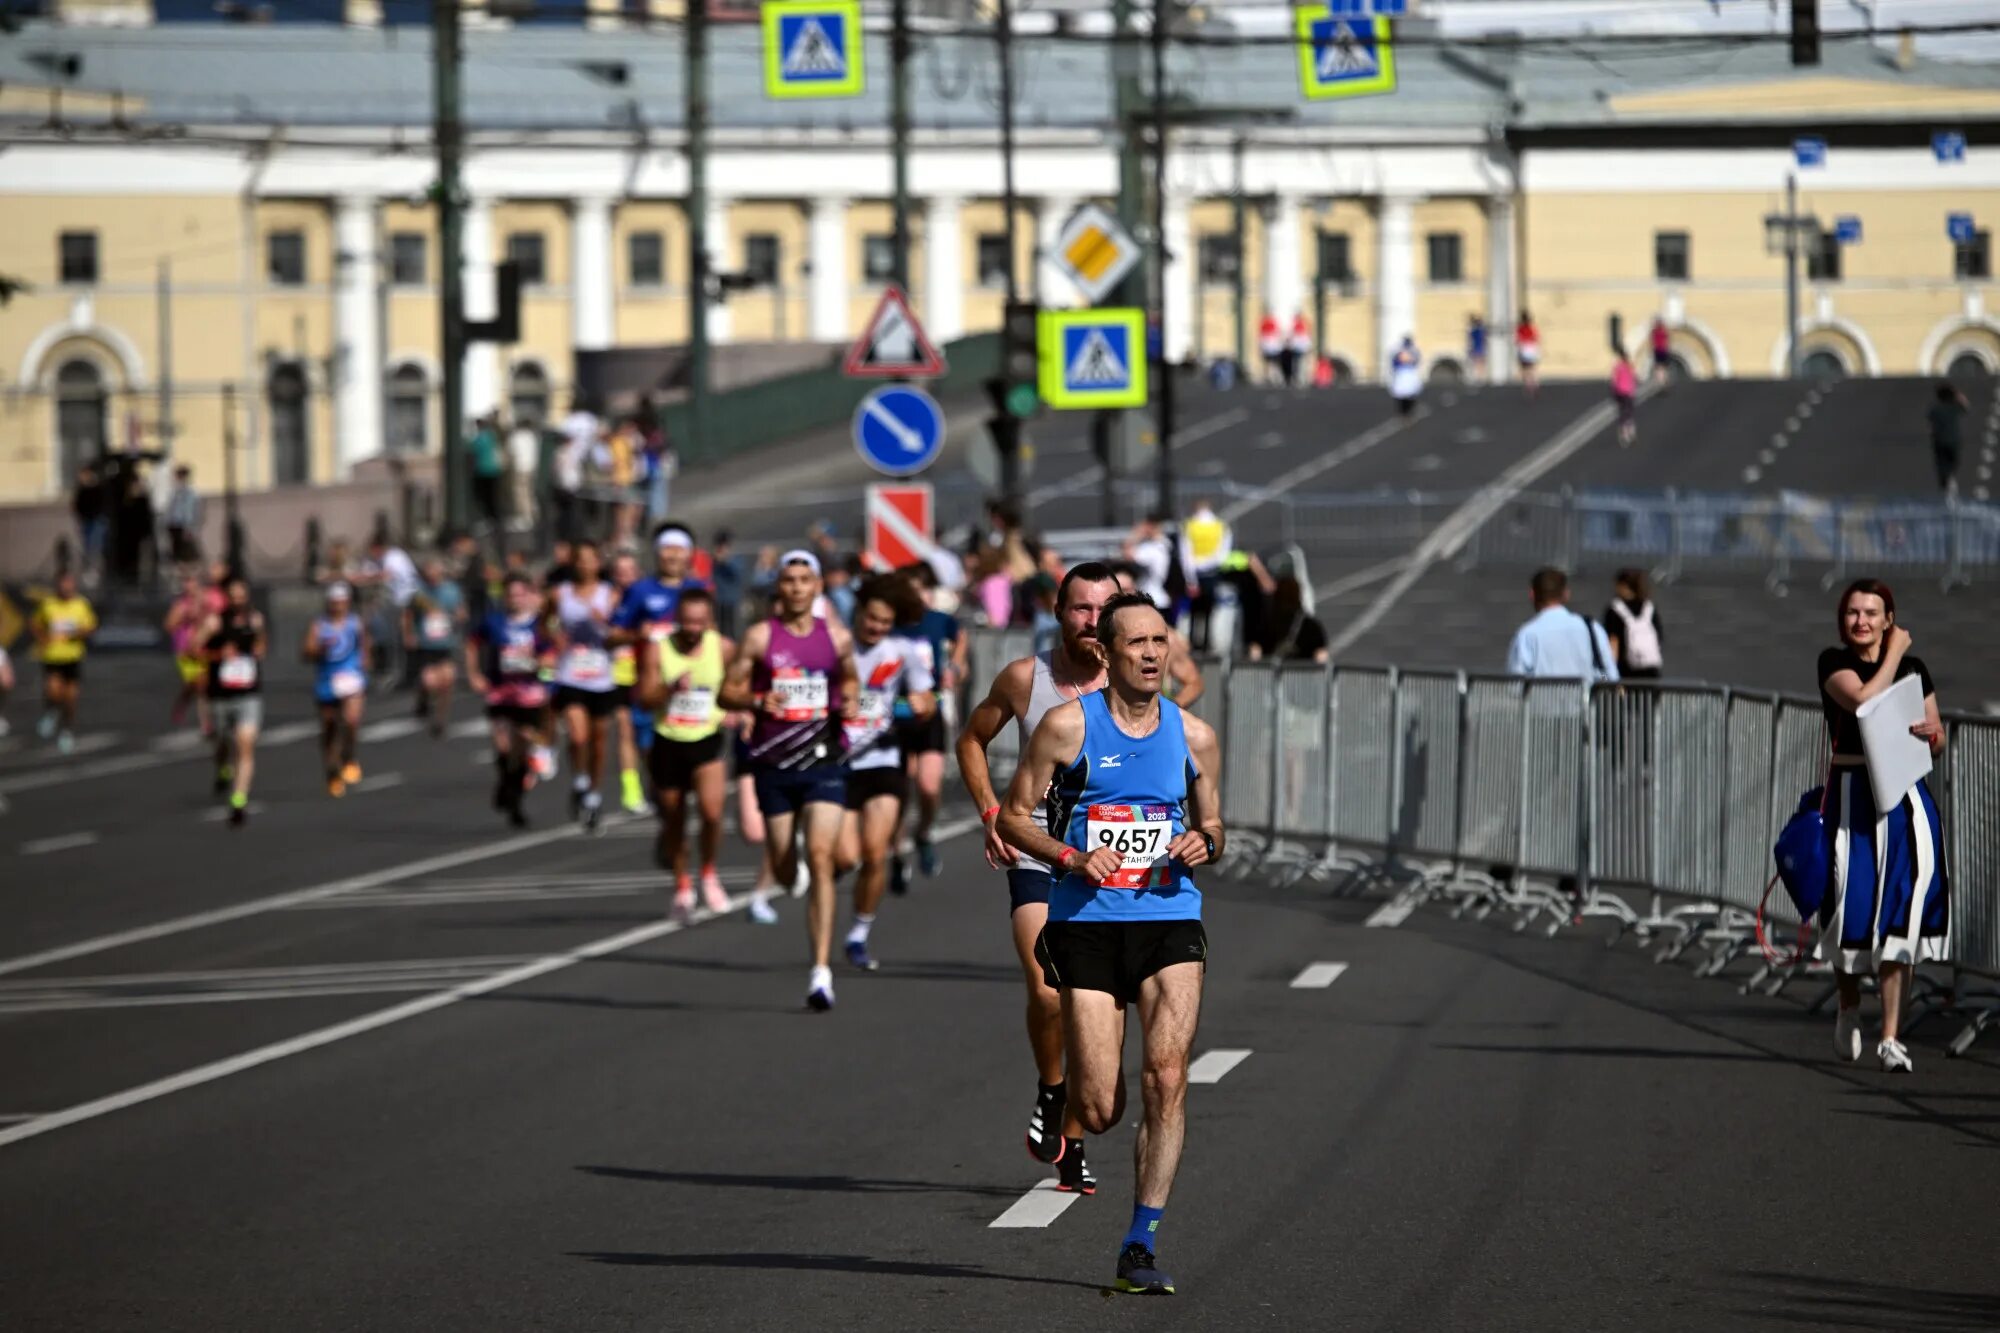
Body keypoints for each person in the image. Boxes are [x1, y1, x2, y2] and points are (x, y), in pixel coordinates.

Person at [997, 591, 1225, 1296]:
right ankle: (1069, 1102)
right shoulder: (1067, 727)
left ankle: (1139, 1241)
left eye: (1161, 640)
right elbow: (1014, 816)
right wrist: (1067, 856)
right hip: (1087, 921)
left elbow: (1216, 824)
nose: (1154, 653)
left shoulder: (1195, 734)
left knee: (1167, 1075)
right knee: (1100, 1107)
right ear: (1107, 652)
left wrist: (1203, 841)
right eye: (1138, 643)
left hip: (1168, 917)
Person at [956, 561, 1120, 1194]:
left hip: (1111, 866)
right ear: (1059, 612)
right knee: (1050, 991)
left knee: (1096, 1012)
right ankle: (1052, 1089)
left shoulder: (1132, 682)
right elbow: (971, 741)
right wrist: (992, 812)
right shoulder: (1029, 679)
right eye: (1081, 608)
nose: (1092, 621)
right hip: (1038, 855)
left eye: (1104, 609)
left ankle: (1072, 1141)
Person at [1817, 578, 1950, 1073]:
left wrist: (1933, 734)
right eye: (1854, 612)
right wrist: (1894, 650)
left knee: (1901, 911)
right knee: (1847, 909)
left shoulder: (1913, 669)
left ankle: (1891, 1036)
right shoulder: (1834, 663)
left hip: (1904, 798)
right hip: (1852, 797)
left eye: (1872, 613)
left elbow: (1935, 732)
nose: (1862, 622)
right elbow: (1865, 700)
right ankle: (1849, 1002)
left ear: (1887, 617)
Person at [721, 551, 860, 1011]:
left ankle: (820, 971)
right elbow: (727, 692)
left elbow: (852, 680)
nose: (798, 587)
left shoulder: (836, 637)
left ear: (818, 586)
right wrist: (760, 700)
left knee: (822, 857)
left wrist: (853, 701)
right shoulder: (761, 637)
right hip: (774, 763)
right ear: (779, 587)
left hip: (824, 759)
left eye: (806, 579)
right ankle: (788, 867)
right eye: (790, 580)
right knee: (784, 866)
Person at [834, 576, 936, 971]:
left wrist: (915, 706)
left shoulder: (903, 651)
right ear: (858, 613)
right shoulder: (838, 645)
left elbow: (925, 698)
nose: (875, 627)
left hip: (885, 760)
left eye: (883, 622)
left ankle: (859, 934)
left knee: (875, 854)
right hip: (841, 763)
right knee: (846, 855)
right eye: (870, 619)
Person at [638, 585, 737, 920]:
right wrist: (669, 688)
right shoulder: (658, 650)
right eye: (687, 622)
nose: (694, 629)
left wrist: (738, 711)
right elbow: (644, 698)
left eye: (700, 622)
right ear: (677, 620)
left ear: (709, 620)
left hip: (707, 738)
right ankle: (682, 884)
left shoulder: (723, 648)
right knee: (674, 818)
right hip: (668, 740)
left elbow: (739, 687)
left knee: (711, 813)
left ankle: (708, 872)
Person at [614, 524, 710, 813]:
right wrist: (636, 635)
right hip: (650, 684)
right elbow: (614, 634)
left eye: (679, 550)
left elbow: (715, 635)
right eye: (667, 549)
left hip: (693, 687)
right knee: (649, 748)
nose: (672, 556)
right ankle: (661, 793)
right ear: (657, 553)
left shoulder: (700, 590)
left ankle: (676, 794)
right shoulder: (640, 591)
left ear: (689, 555)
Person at [894, 562, 966, 890]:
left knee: (928, 786)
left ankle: (923, 834)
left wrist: (955, 664)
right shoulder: (890, 625)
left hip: (930, 714)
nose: (917, 596)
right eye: (909, 590)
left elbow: (959, 635)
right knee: (900, 789)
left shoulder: (937, 620)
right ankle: (896, 852)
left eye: (922, 589)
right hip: (895, 715)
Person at [466, 572, 557, 828]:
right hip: (500, 692)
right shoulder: (494, 622)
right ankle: (509, 792)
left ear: (528, 595)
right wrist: (474, 674)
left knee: (523, 747)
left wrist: (538, 662)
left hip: (529, 695)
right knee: (503, 749)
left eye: (520, 594)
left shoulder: (539, 624)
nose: (515, 599)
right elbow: (472, 643)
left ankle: (513, 792)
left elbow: (552, 653)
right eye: (510, 595)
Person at [549, 540, 620, 832]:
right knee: (578, 737)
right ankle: (579, 778)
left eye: (591, 560)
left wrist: (606, 623)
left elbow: (622, 631)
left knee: (599, 742)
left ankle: (593, 794)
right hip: (571, 674)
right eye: (580, 560)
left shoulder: (610, 595)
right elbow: (543, 623)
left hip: (602, 676)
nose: (585, 565)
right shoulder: (560, 594)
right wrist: (554, 637)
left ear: (599, 564)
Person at [202, 575, 266, 826]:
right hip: (220, 694)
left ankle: (239, 798)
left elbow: (262, 644)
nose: (239, 602)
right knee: (222, 740)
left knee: (245, 744)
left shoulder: (255, 619)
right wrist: (219, 654)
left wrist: (259, 650)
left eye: (243, 597)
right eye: (234, 597)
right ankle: (222, 768)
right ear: (227, 598)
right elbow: (194, 649)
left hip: (248, 693)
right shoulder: (215, 622)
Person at [304, 582, 369, 796]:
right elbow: (307, 652)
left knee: (351, 720)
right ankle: (331, 769)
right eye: (334, 603)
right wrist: (319, 650)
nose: (338, 607)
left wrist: (365, 663)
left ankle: (348, 755)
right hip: (327, 680)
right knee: (329, 725)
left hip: (351, 676)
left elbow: (364, 644)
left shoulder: (354, 623)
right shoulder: (319, 625)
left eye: (341, 602)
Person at [1111, 564, 1207, 708]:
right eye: (1116, 591)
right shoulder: (1095, 638)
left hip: (1149, 726)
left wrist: (1170, 713)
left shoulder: (1163, 637)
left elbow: (1194, 683)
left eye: (1126, 590)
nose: (1122, 596)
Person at [1507, 567, 1618, 683]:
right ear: (1566, 594)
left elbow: (1516, 682)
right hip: (1584, 700)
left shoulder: (1527, 634)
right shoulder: (1591, 628)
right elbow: (1609, 674)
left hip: (1542, 700)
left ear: (1532, 594)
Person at [31, 570, 97, 753]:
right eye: (63, 584)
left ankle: (66, 731)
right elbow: (35, 623)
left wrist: (77, 633)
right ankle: (51, 711)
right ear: (58, 586)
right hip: (53, 656)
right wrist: (43, 638)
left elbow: (90, 627)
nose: (67, 587)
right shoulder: (48, 604)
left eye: (70, 584)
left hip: (73, 657)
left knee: (71, 698)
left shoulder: (81, 604)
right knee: (53, 691)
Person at [606, 550, 650, 814]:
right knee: (625, 731)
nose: (625, 578)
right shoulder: (609, 600)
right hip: (618, 675)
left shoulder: (647, 598)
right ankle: (631, 791)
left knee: (648, 739)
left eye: (629, 572)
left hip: (646, 675)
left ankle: (656, 782)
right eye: (619, 573)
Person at [405, 555, 467, 738]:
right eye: (428, 571)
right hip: (426, 645)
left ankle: (441, 719)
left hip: (445, 644)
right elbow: (408, 615)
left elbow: (461, 611)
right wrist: (409, 635)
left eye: (435, 570)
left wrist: (457, 618)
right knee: (428, 682)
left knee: (447, 682)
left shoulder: (451, 590)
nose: (432, 574)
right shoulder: (419, 594)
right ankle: (422, 701)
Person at [164, 568, 221, 734]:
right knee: (195, 684)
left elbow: (218, 618)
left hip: (205, 649)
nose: (189, 586)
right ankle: (183, 700)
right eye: (186, 582)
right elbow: (169, 626)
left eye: (192, 581)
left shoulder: (211, 599)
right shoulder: (181, 604)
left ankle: (206, 723)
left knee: (203, 686)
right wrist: (184, 617)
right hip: (185, 651)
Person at [1179, 500, 1231, 653]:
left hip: (1195, 572)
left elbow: (1185, 555)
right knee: (1209, 610)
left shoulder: (1189, 526)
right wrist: (1210, 562)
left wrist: (1190, 578)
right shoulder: (1220, 526)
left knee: (1195, 610)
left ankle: (1194, 642)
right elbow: (1223, 553)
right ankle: (1207, 642)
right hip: (1212, 572)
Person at [1246, 576, 1329, 663]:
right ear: (1298, 595)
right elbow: (1321, 656)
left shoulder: (1266, 624)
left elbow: (1255, 653)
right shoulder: (1310, 625)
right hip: (1303, 673)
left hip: (1272, 673)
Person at [1601, 568, 1664, 680]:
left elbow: (1613, 642)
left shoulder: (1614, 609)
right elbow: (1659, 638)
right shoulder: (1649, 607)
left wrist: (1609, 673)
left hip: (1625, 672)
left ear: (1622, 585)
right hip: (1651, 671)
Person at [1927, 381, 1969, 499]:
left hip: (1939, 441)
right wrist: (1958, 395)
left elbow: (1930, 425)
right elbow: (1966, 407)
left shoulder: (1934, 408)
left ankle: (1946, 485)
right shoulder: (1954, 406)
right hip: (1954, 440)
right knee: (1953, 463)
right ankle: (1950, 481)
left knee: (1942, 466)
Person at [469, 414, 505, 531]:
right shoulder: (492, 436)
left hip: (483, 471)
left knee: (485, 497)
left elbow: (472, 450)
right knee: (494, 497)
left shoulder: (480, 438)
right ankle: (495, 518)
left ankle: (490, 519)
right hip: (494, 471)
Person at [506, 413, 540, 534]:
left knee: (520, 493)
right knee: (530, 491)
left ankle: (525, 518)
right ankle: (532, 513)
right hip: (531, 467)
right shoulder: (532, 436)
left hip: (520, 467)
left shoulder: (516, 436)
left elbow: (511, 453)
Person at [72, 463, 107, 584]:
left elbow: (101, 504)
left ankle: (95, 571)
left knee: (96, 546)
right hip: (86, 521)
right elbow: (77, 505)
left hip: (96, 520)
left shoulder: (97, 488)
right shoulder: (81, 490)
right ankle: (89, 571)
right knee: (87, 547)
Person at [164, 465, 203, 565]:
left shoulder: (191, 492)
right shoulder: (174, 491)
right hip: (174, 525)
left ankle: (187, 573)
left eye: (179, 476)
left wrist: (192, 528)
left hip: (185, 526)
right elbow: (171, 508)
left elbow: (194, 511)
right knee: (176, 553)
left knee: (187, 554)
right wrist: (168, 522)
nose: (177, 479)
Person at [1388, 335, 1422, 419]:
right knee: (1401, 393)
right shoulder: (1398, 351)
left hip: (1409, 373)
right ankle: (1403, 412)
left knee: (1410, 393)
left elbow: (1416, 361)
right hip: (1402, 373)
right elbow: (1394, 362)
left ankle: (1408, 411)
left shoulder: (1413, 351)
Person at [1611, 350, 1639, 447]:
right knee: (1629, 413)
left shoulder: (1618, 366)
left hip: (1619, 392)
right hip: (1629, 392)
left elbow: (1614, 380)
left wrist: (1613, 391)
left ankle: (1624, 434)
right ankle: (1630, 431)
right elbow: (1635, 378)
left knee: (1622, 412)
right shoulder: (1630, 366)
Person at [1515, 312, 1542, 396]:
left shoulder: (1520, 328)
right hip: (1532, 348)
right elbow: (1536, 338)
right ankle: (1535, 383)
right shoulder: (1531, 328)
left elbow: (1518, 339)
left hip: (1524, 348)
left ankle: (1528, 385)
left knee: (1525, 369)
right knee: (1532, 368)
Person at [1257, 311, 1283, 385]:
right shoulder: (1267, 322)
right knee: (1270, 363)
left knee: (1270, 363)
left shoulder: (1268, 322)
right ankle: (1270, 377)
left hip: (1270, 345)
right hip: (1269, 345)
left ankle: (1271, 376)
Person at [1648, 317, 1673, 385]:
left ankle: (1660, 380)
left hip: (1657, 350)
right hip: (1663, 350)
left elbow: (1652, 341)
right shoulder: (1663, 331)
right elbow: (1667, 340)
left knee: (1659, 366)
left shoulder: (1654, 331)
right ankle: (1664, 379)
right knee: (1664, 366)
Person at [1467, 314, 1489, 385]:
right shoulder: (1480, 331)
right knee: (1479, 364)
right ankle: (1480, 378)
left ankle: (1479, 378)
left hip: (1477, 348)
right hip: (1479, 348)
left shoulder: (1474, 331)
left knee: (1477, 364)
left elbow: (1470, 339)